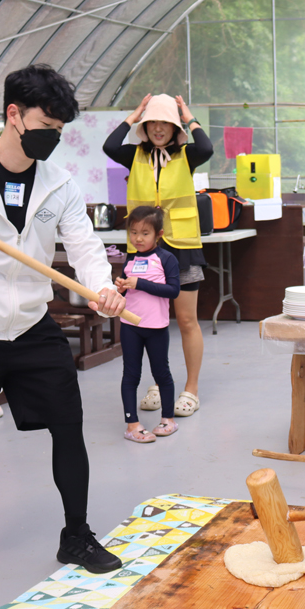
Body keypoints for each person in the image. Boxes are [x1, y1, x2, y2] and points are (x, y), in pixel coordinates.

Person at [0, 64, 126, 585]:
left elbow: (83, 246)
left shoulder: (59, 183)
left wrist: (101, 287)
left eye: (59, 130)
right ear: (13, 115)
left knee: (69, 427)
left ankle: (76, 534)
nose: (51, 138)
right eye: (45, 126)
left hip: (32, 325)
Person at [102, 93, 213, 419]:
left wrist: (188, 116)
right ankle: (157, 383)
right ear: (145, 126)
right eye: (153, 123)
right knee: (150, 321)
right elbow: (110, 145)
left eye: (166, 123)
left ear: (175, 127)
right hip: (143, 251)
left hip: (182, 247)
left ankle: (191, 389)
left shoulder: (186, 154)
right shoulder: (134, 155)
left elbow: (206, 147)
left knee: (187, 320)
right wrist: (135, 113)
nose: (159, 129)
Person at [115, 206, 180, 443]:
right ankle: (132, 424)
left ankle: (168, 419)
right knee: (130, 374)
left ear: (158, 234)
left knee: (161, 372)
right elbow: (128, 291)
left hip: (156, 327)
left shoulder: (166, 259)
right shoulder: (131, 258)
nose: (138, 238)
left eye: (145, 233)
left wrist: (139, 283)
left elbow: (173, 290)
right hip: (130, 326)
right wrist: (121, 288)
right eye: (133, 232)